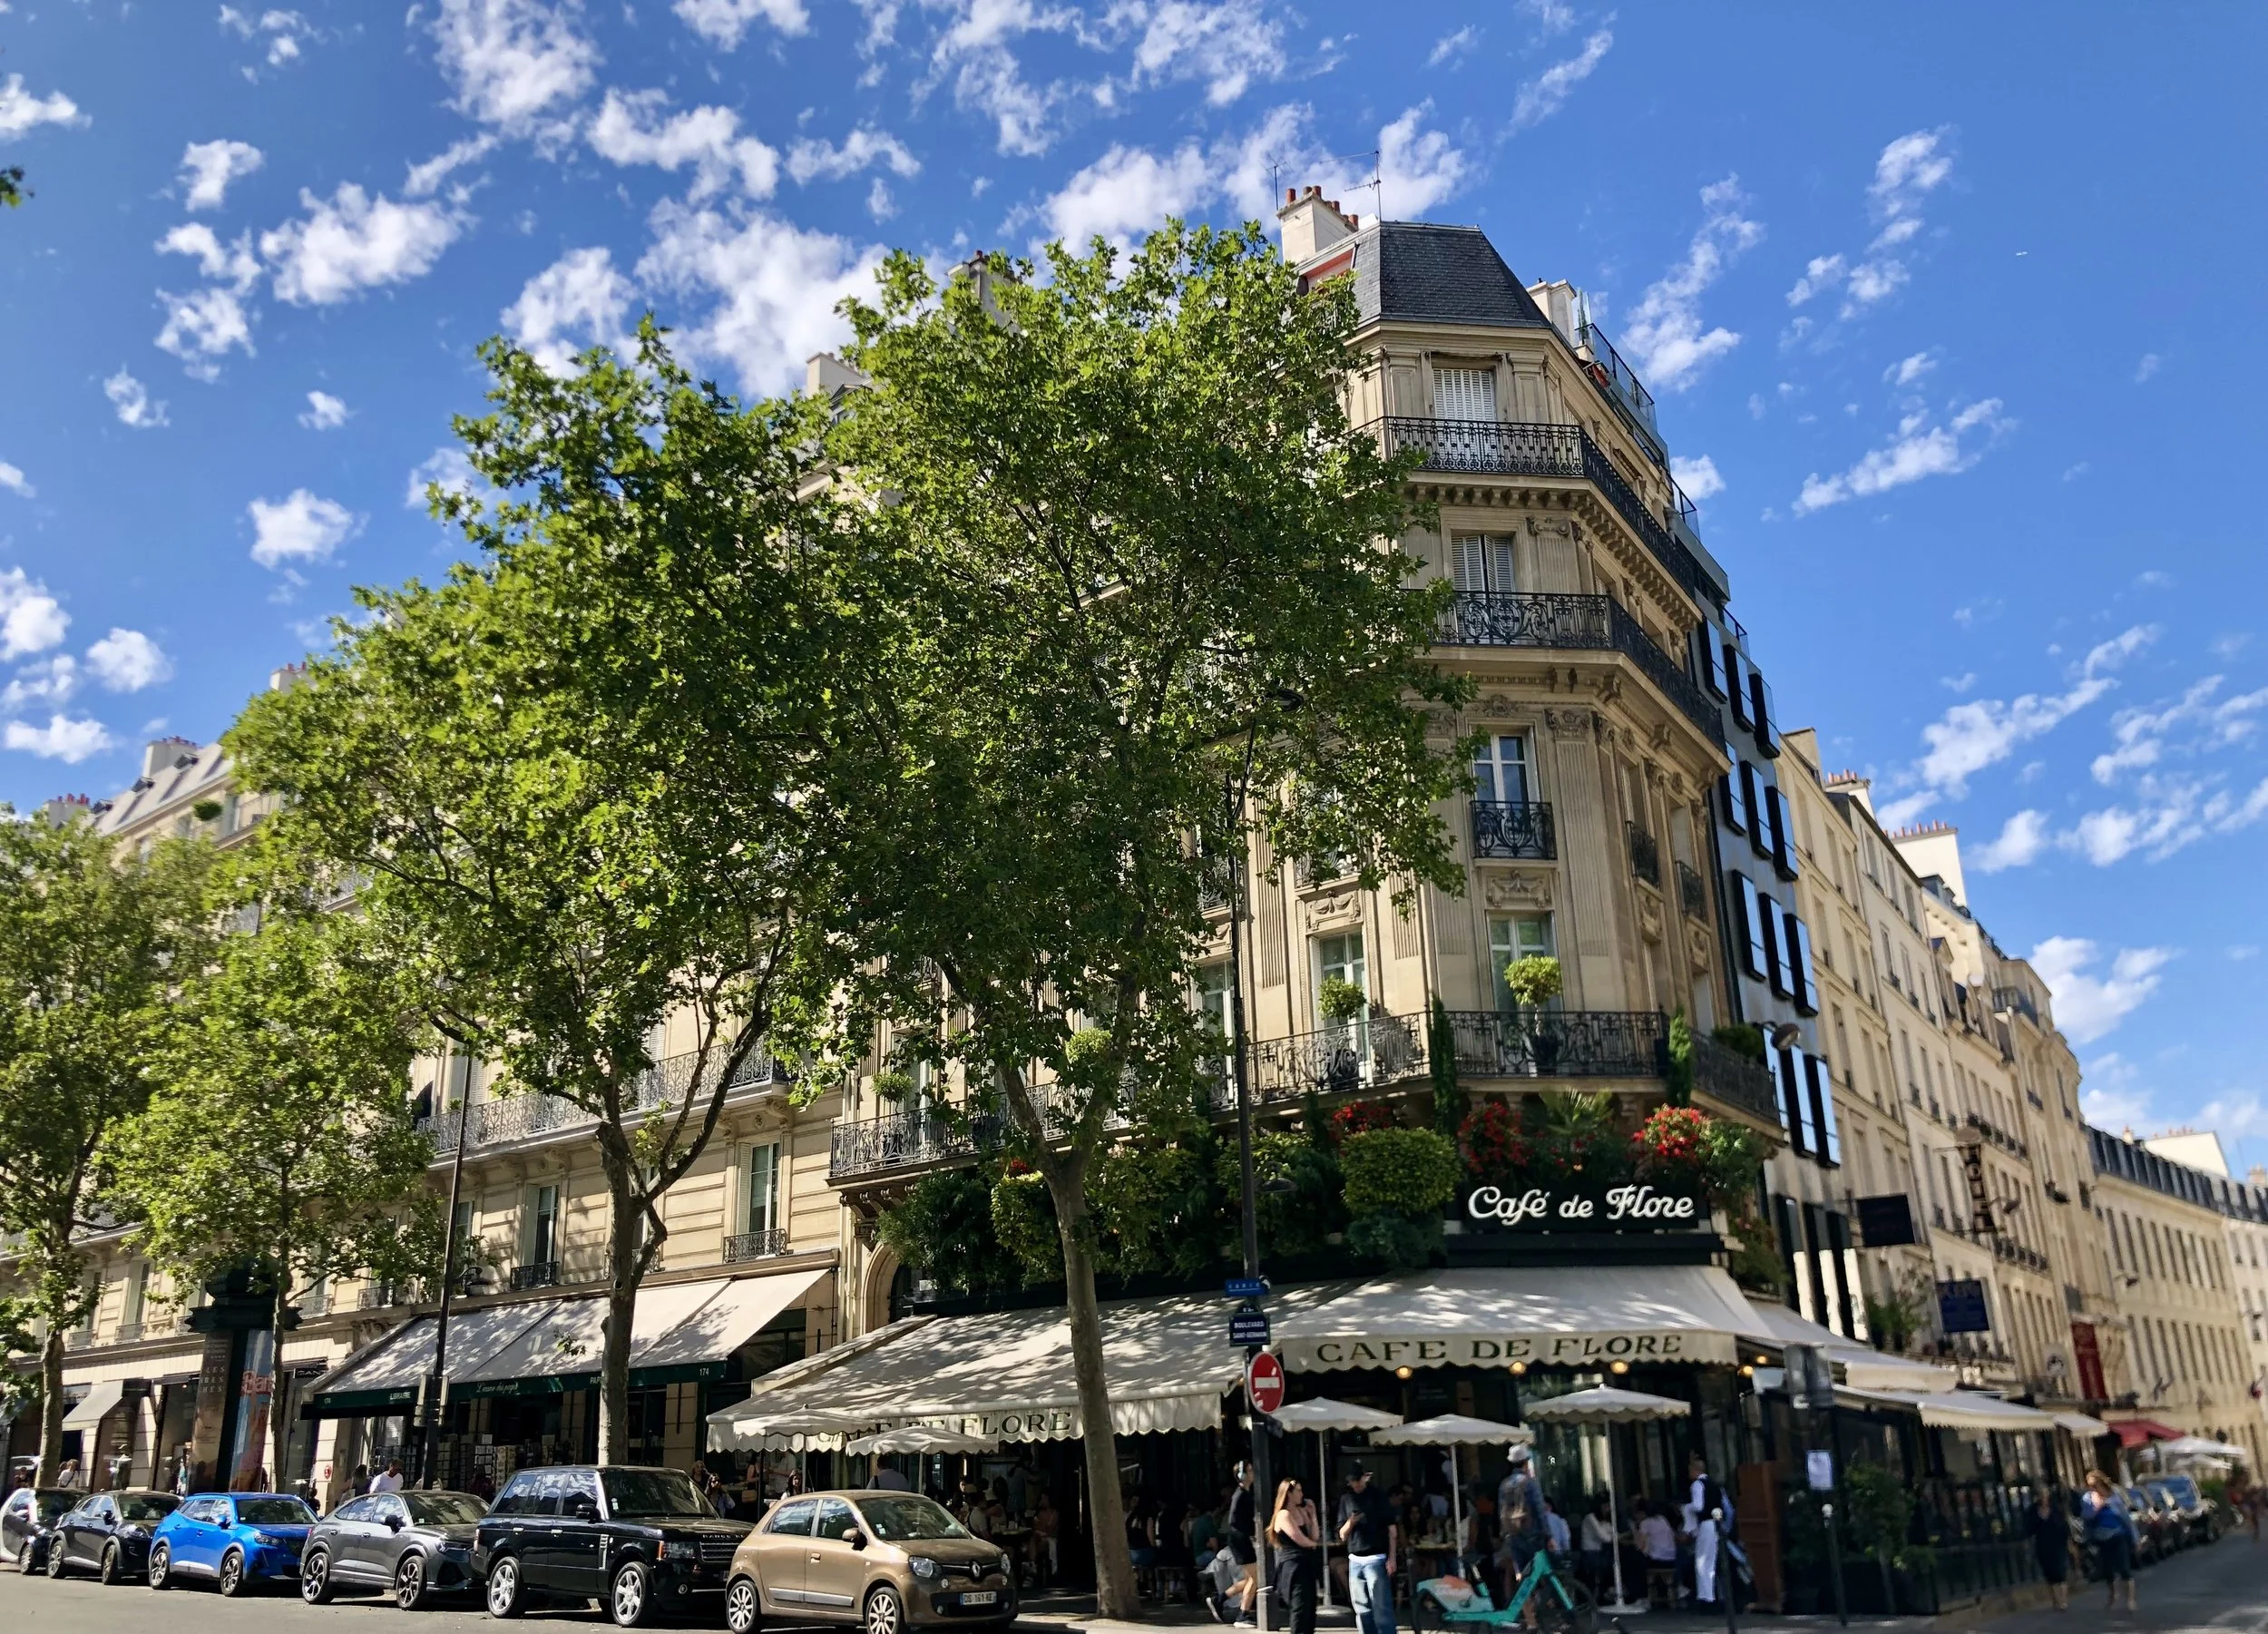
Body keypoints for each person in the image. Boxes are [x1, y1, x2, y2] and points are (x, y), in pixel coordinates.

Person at [1335, 1463, 1398, 1634]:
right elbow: (1341, 1534)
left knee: (1381, 1608)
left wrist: (1392, 1558)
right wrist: (1351, 1522)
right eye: (1352, 1482)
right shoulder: (1346, 1499)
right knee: (1361, 1609)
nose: (1355, 1485)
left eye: (1357, 1480)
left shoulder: (1378, 1496)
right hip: (1355, 1557)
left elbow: (1392, 1529)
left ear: (1365, 1478)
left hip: (1376, 1556)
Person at [1210, 1462, 1261, 1627]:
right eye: (1250, 1470)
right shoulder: (1241, 1495)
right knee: (1255, 1578)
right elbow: (1234, 1520)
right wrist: (1251, 1532)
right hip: (1241, 1539)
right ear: (1242, 1475)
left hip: (1241, 1539)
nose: (1253, 1473)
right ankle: (1243, 1614)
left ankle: (1220, 1600)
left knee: (1250, 1579)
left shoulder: (1244, 1494)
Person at [1269, 1478, 1322, 1634]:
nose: (1301, 1494)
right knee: (1299, 1607)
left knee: (1310, 1608)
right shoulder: (1283, 1515)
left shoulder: (1301, 1511)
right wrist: (1314, 1545)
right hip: (1294, 1566)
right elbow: (1300, 1539)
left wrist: (1313, 1516)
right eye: (1298, 1491)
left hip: (1307, 1565)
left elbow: (1314, 1536)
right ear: (1289, 1494)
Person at [2081, 1473, 2137, 1612]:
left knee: (2124, 1568)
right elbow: (2086, 1517)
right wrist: (2098, 1507)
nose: (2093, 1489)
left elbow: (2126, 1519)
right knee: (2108, 1571)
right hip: (2101, 1538)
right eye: (2091, 1487)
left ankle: (2130, 1600)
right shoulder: (2088, 1499)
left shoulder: (2115, 1497)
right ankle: (2113, 1595)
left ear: (2102, 1484)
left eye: (2095, 1486)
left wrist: (2135, 1538)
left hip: (2118, 1536)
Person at [1681, 1452, 1728, 1610]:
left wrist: (1686, 1507)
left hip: (1705, 1525)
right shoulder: (1714, 1485)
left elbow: (1698, 1506)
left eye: (1690, 1471)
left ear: (1695, 1471)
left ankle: (1705, 1598)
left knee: (1702, 1562)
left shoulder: (1697, 1485)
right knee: (1711, 1562)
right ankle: (1711, 1596)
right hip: (1716, 1525)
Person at [2023, 1487, 2069, 1610]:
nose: (2042, 1497)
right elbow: (2028, 1529)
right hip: (2043, 1545)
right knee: (2049, 1573)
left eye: (2044, 1494)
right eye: (2040, 1495)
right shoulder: (2033, 1511)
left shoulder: (2056, 1509)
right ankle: (2055, 1599)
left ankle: (2063, 1600)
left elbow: (2065, 1526)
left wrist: (2069, 1542)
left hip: (2058, 1544)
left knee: (2060, 1572)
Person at [1579, 1497, 1615, 1594]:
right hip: (1590, 1553)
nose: (1608, 1509)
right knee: (1608, 1566)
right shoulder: (1590, 1518)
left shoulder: (1604, 1520)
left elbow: (1612, 1532)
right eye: (1606, 1506)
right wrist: (1614, 1537)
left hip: (1598, 1552)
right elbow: (1604, 1537)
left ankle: (1606, 1591)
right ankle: (1603, 1593)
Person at [1032, 1492, 1060, 1584]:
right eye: (1042, 1499)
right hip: (1040, 1537)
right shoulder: (1039, 1513)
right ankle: (1033, 1565)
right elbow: (1037, 1528)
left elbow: (1051, 1528)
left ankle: (1048, 1569)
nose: (1043, 1501)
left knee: (1046, 1542)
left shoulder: (1054, 1513)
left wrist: (1042, 1527)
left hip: (1050, 1537)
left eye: (1045, 1498)